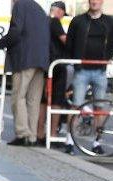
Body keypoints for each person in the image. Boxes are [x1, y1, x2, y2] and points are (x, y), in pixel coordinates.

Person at [0, 0, 50, 146]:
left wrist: (0, 43)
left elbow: (16, 31)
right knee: (33, 100)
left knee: (19, 97)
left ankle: (22, 134)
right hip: (41, 60)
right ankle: (32, 136)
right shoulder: (39, 9)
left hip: (24, 58)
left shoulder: (20, 5)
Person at [66, 0, 113, 152]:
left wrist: (106, 58)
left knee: (99, 107)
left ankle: (97, 142)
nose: (94, 1)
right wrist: (74, 61)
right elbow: (70, 42)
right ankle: (69, 140)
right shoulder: (78, 21)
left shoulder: (110, 22)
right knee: (76, 105)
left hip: (100, 71)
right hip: (81, 69)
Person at [37, 1, 69, 144]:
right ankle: (52, 134)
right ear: (59, 11)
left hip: (44, 64)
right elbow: (64, 40)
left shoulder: (42, 22)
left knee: (42, 101)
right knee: (56, 101)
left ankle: (39, 133)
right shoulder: (55, 21)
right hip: (57, 66)